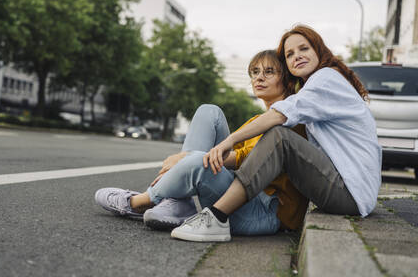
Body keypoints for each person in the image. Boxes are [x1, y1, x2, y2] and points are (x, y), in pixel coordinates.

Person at [170, 25, 382, 242]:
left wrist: (229, 141)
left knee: (280, 137)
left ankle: (216, 218)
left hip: (350, 194)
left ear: (319, 50)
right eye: (290, 54)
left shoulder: (326, 77)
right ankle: (176, 202)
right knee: (273, 134)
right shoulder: (318, 85)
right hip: (348, 190)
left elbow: (280, 114)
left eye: (304, 49)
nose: (297, 56)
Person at [95, 50, 309, 239]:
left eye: (269, 71)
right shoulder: (256, 121)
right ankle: (178, 203)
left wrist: (186, 159)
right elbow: (226, 149)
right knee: (209, 111)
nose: (259, 78)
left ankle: (138, 202)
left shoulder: (291, 118)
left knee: (200, 160)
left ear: (287, 79)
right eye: (254, 72)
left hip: (264, 213)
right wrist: (192, 158)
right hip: (244, 195)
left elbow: (252, 159)